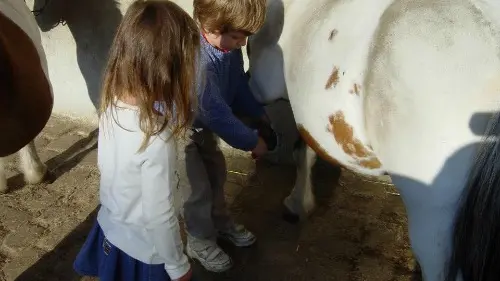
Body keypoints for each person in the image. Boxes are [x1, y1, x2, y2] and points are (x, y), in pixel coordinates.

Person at [72, 1, 200, 280]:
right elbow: (160, 215)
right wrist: (178, 265)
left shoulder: (109, 106)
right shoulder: (156, 138)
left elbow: (107, 169)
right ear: (169, 70)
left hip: (111, 229)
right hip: (147, 254)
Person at [183, 0, 270, 273]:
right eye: (236, 36)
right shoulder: (197, 59)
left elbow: (238, 86)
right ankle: (198, 239)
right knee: (195, 188)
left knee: (216, 174)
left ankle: (220, 222)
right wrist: (252, 141)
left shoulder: (228, 50)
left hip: (203, 126)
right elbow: (215, 113)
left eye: (245, 36)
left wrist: (258, 114)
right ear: (209, 25)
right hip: (178, 131)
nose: (242, 43)